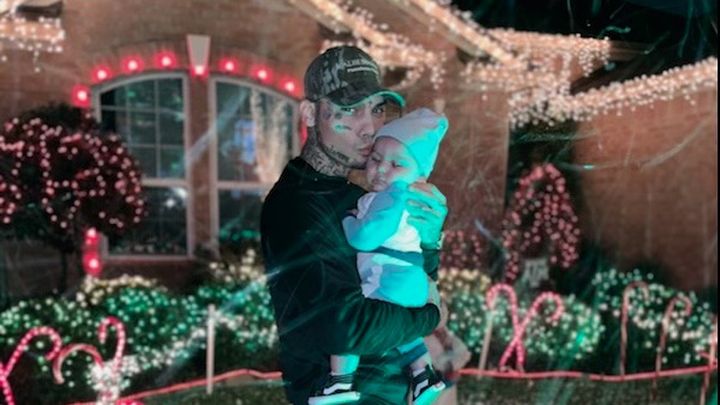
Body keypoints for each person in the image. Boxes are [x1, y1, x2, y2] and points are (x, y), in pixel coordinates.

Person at [260, 45, 449, 405]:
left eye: (377, 109)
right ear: (310, 114)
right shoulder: (296, 206)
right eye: (350, 109)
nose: (371, 128)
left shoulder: (358, 196)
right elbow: (348, 326)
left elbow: (411, 280)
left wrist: (427, 240)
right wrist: (429, 316)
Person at [308, 108, 449, 405]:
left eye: (396, 164)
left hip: (389, 274)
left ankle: (340, 380)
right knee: (403, 331)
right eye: (375, 159)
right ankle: (423, 375)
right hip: (408, 279)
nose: (382, 169)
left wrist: (349, 220)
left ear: (420, 175)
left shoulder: (392, 196)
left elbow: (365, 237)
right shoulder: (412, 199)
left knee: (351, 323)